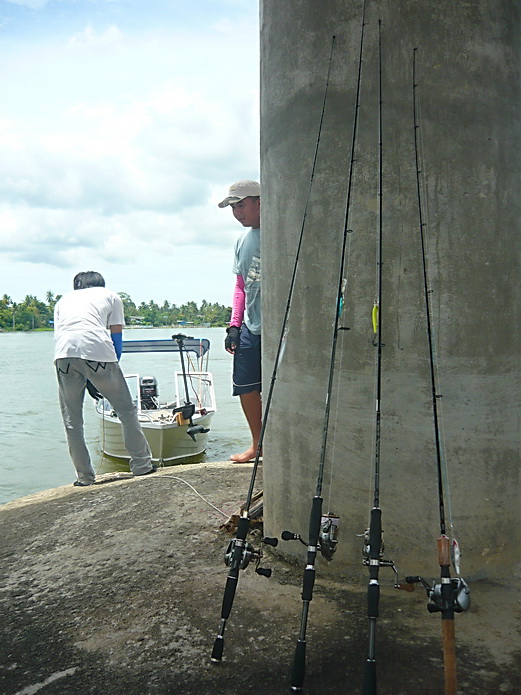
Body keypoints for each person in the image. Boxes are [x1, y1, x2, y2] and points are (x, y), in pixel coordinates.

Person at [54, 271, 156, 486]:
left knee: (72, 421)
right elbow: (116, 338)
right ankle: (141, 465)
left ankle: (84, 477)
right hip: (97, 352)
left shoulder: (63, 300)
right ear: (100, 283)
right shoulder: (110, 296)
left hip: (63, 355)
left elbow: (64, 334)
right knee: (126, 411)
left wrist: (87, 377)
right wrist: (104, 371)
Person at [219, 180, 262, 463]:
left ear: (261, 201)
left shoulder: (284, 230)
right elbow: (240, 286)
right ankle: (258, 445)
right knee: (246, 386)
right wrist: (235, 325)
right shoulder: (242, 240)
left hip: (283, 327)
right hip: (252, 325)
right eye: (233, 207)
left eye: (241, 205)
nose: (237, 212)